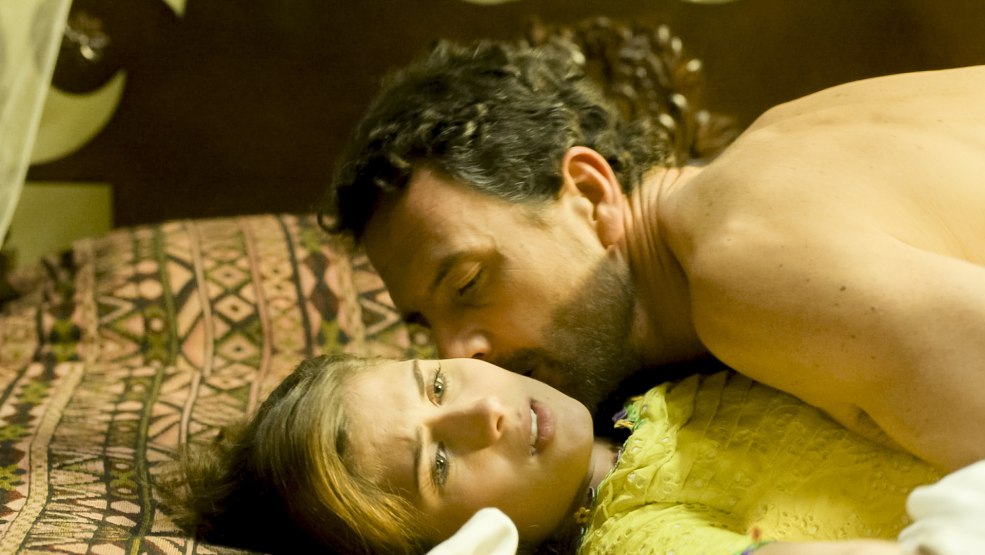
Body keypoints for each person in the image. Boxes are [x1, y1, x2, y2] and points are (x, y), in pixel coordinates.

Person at [318, 36, 985, 472]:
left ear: (590, 193)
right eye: (425, 327)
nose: (456, 353)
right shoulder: (784, 136)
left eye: (467, 282)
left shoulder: (741, 267)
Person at [158, 353, 941, 555]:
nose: (486, 412)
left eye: (437, 383)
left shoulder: (657, 384)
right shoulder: (633, 540)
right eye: (438, 463)